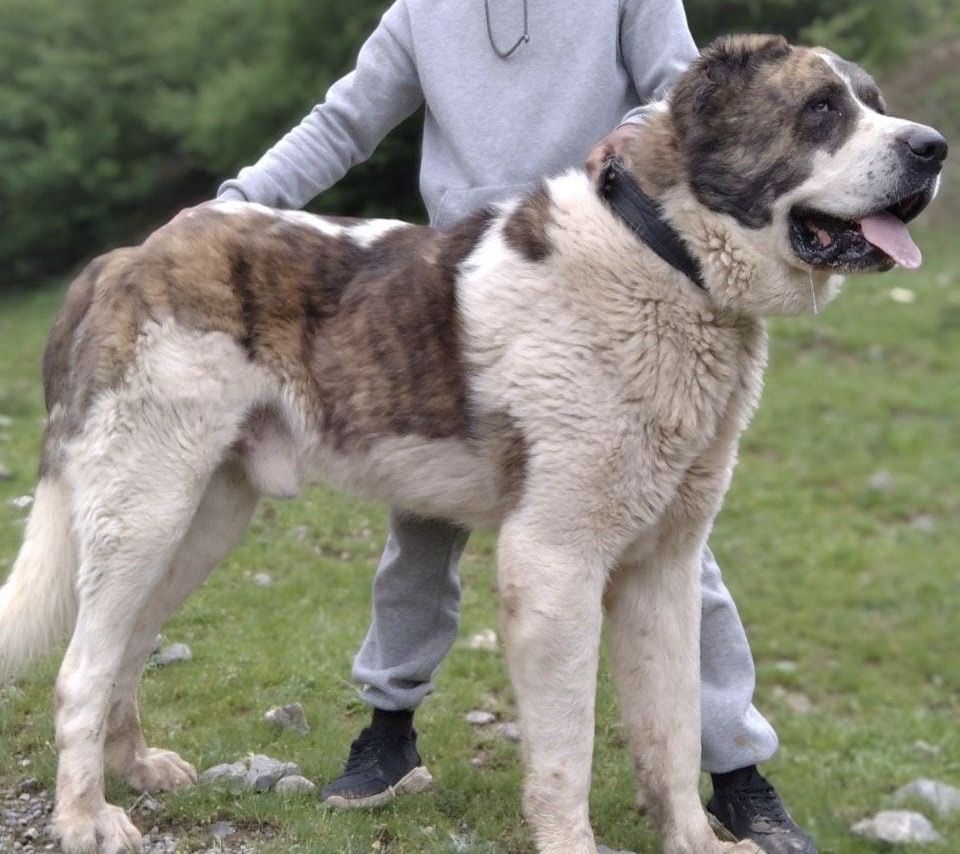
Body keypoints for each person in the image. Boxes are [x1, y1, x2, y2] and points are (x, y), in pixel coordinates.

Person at [214, 2, 816, 851]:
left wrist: (638, 124)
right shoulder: (420, 13)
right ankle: (388, 734)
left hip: (605, 270)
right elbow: (343, 123)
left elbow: (687, 89)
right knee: (418, 529)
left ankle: (737, 773)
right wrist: (230, 210)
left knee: (675, 545)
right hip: (461, 288)